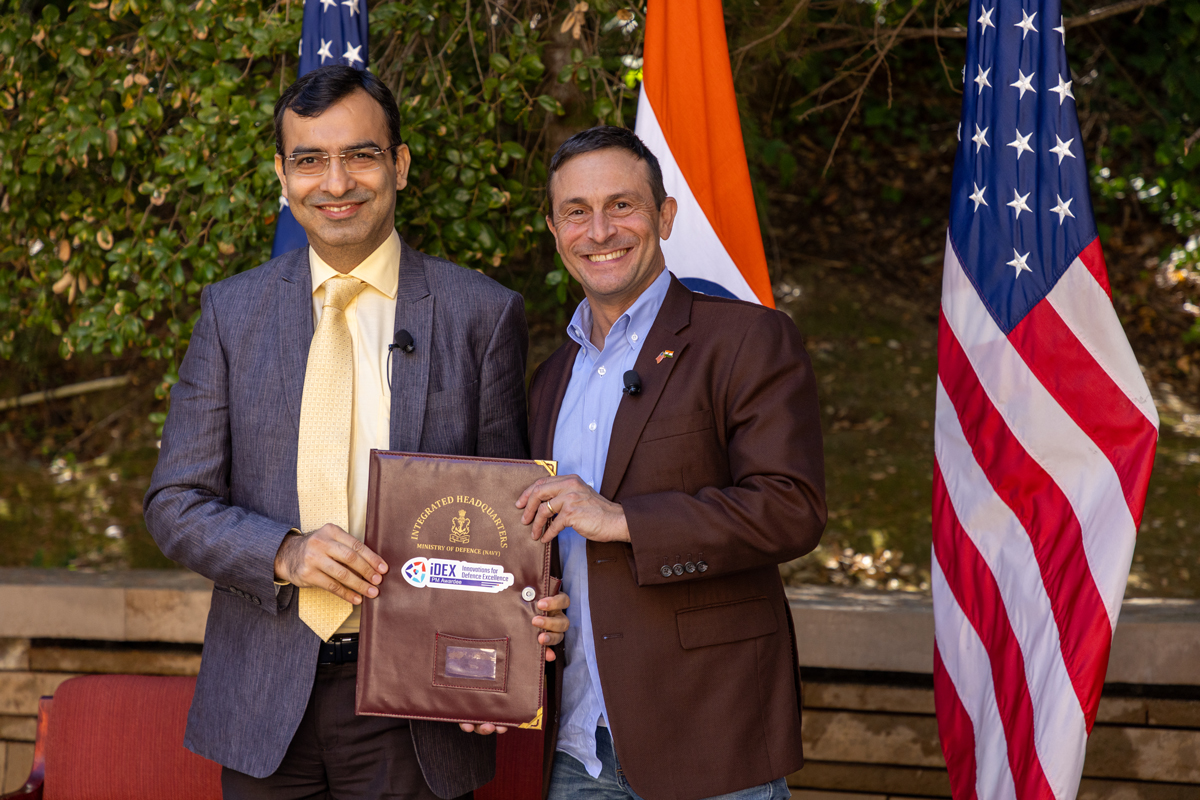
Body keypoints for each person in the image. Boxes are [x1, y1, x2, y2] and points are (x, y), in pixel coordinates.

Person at [144, 65, 568, 800]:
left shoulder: (481, 314)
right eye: (310, 160)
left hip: (419, 706)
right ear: (284, 176)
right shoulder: (231, 315)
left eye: (360, 155)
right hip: (263, 701)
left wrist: (517, 619)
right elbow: (174, 503)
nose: (335, 182)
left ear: (399, 165)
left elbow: (506, 517)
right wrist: (285, 552)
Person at [516, 127, 827, 800]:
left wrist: (624, 519)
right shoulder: (549, 378)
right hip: (577, 747)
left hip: (709, 736)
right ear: (554, 228)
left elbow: (791, 509)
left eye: (622, 206)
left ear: (664, 215)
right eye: (576, 211)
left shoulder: (745, 340)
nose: (599, 230)